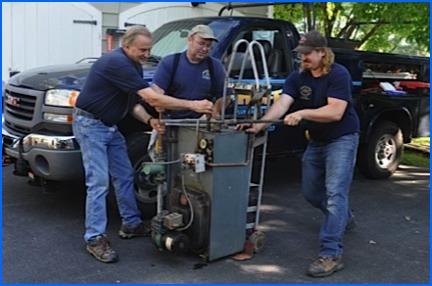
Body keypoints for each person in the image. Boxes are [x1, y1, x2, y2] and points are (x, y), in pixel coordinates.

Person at [72, 25, 214, 263]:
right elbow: (150, 97)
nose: (147, 55)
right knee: (98, 183)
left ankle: (131, 224)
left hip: (109, 126)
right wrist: (193, 105)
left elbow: (133, 104)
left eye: (149, 50)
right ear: (126, 46)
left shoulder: (133, 65)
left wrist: (149, 120)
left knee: (125, 175)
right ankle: (94, 237)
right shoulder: (116, 62)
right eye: (142, 50)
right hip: (90, 125)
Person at [238, 30, 360, 277]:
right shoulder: (297, 77)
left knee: (335, 193)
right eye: (300, 54)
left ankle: (331, 253)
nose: (302, 58)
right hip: (317, 140)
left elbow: (335, 112)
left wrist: (303, 114)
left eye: (307, 53)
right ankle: (343, 217)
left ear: (322, 53)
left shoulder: (338, 74)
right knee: (312, 193)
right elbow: (282, 104)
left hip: (342, 138)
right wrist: (258, 126)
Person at [151, 24, 227, 120]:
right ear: (189, 40)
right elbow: (157, 96)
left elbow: (226, 96)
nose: (204, 49)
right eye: (201, 43)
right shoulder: (170, 63)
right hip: (172, 122)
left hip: (202, 123)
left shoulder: (215, 66)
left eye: (208, 46)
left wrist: (214, 111)